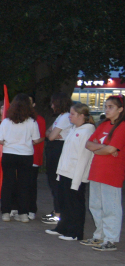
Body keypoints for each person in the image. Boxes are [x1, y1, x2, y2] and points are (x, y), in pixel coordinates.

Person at [45, 103, 94, 241]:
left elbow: (83, 157)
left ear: (81, 116)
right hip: (65, 172)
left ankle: (75, 232)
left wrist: (77, 179)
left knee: (74, 203)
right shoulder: (74, 129)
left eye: (72, 114)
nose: (69, 117)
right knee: (64, 201)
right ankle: (63, 227)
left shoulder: (86, 131)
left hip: (75, 174)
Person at [82, 95, 125, 251]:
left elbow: (111, 149)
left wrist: (101, 148)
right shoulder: (103, 125)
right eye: (106, 106)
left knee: (110, 207)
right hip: (97, 170)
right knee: (95, 205)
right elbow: (88, 143)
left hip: (112, 173)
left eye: (111, 107)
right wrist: (105, 149)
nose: (107, 109)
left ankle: (110, 239)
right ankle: (98, 236)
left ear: (120, 109)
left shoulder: (122, 126)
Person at [0, 94, 43, 223]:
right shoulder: (32, 122)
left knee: (8, 183)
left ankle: (6, 212)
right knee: (24, 184)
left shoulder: (6, 121)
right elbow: (36, 139)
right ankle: (23, 213)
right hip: (26, 155)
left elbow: (0, 140)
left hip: (9, 154)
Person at [42, 92, 73, 224]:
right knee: (53, 181)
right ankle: (57, 210)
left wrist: (51, 134)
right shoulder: (60, 117)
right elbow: (47, 132)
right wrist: (51, 134)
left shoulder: (65, 117)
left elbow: (51, 135)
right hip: (54, 149)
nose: (51, 105)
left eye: (53, 102)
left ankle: (59, 212)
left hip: (58, 150)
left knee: (56, 181)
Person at [27, 98, 48, 219]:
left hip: (33, 156)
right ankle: (19, 207)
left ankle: (31, 209)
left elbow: (41, 137)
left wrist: (27, 143)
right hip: (20, 155)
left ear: (34, 104)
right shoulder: (18, 118)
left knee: (30, 184)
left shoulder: (39, 119)